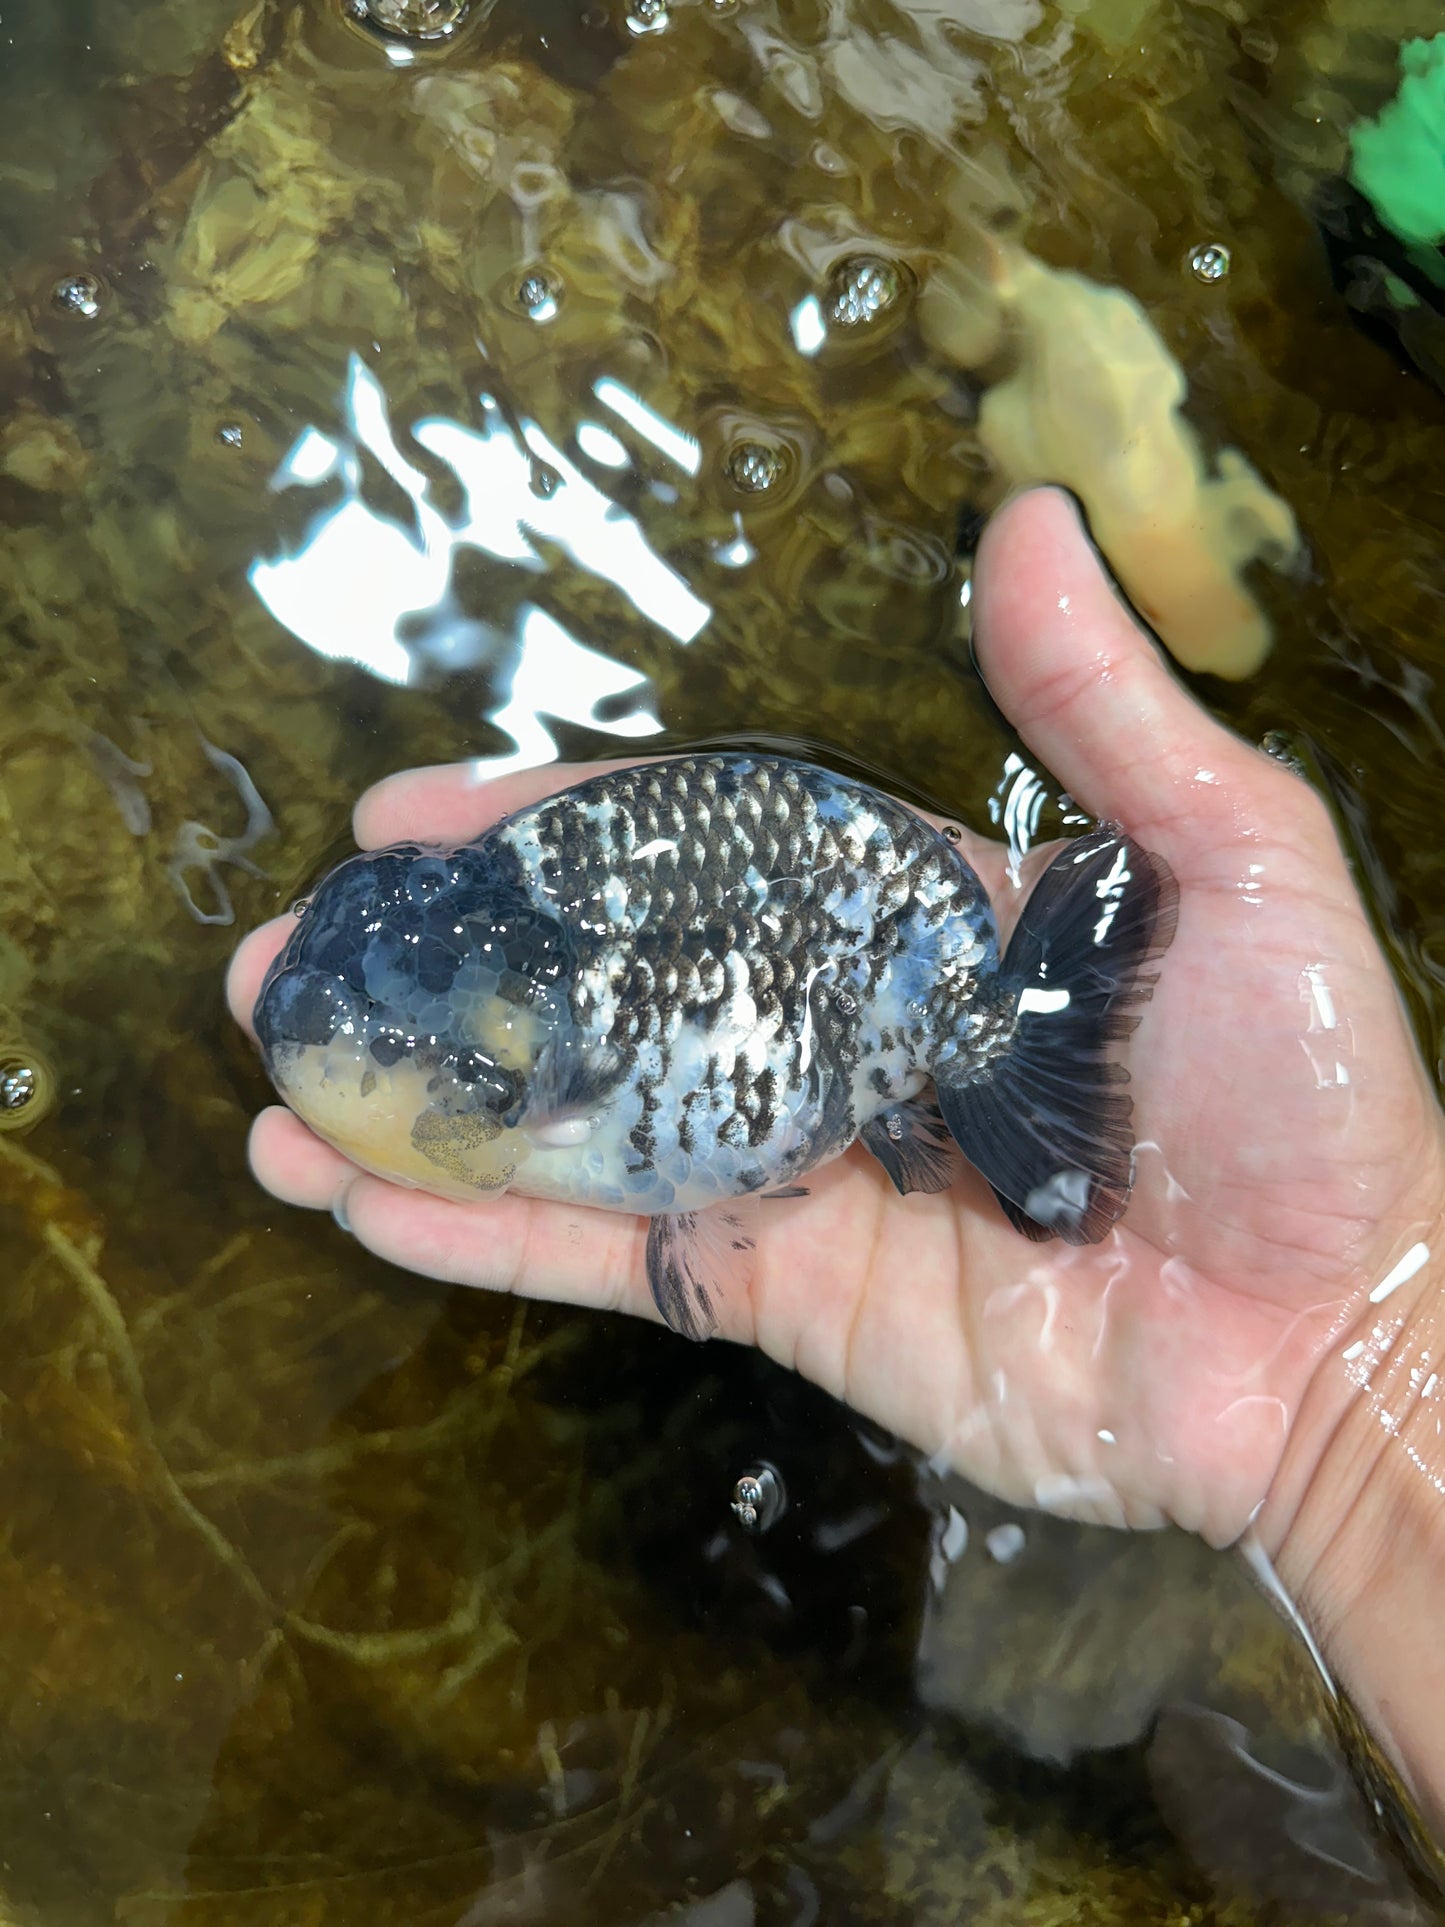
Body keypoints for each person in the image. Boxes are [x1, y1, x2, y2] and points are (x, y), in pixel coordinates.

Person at [228, 487, 1445, 1840]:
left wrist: (1364, 1355)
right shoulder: (525, 937)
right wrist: (1356, 1380)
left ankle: (994, 1053)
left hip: (872, 962)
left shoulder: (553, 1057)